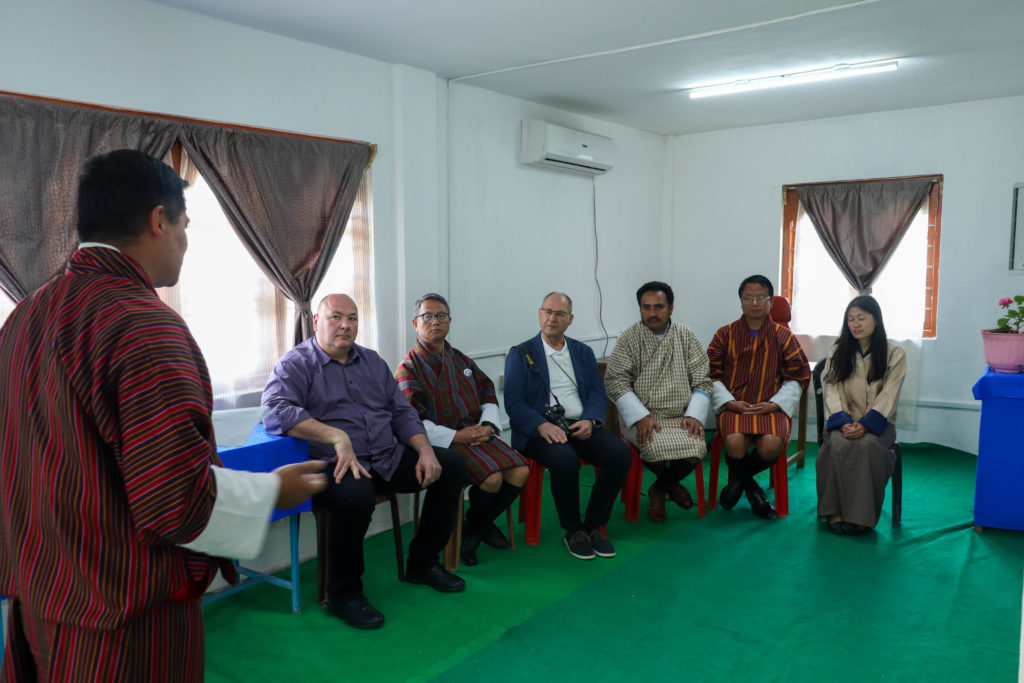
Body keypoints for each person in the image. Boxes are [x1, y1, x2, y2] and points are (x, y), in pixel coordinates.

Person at [0, 149, 326, 681]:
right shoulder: (142, 324)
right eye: (186, 224)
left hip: (38, 587)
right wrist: (274, 492)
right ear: (159, 220)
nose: (185, 242)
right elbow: (174, 502)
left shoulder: (26, 314)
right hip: (117, 611)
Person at [262, 293, 467, 631]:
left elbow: (402, 412)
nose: (346, 325)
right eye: (336, 317)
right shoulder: (296, 363)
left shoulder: (372, 362)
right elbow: (274, 412)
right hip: (332, 464)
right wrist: (336, 437)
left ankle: (422, 562)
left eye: (353, 318)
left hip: (385, 455)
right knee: (357, 493)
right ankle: (343, 594)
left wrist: (426, 450)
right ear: (317, 322)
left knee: (450, 467)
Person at [395, 293, 529, 565]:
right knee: (492, 479)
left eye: (441, 316)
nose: (435, 322)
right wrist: (456, 436)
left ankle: (476, 525)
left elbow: (487, 390)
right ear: (415, 323)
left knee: (521, 471)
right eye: (428, 317)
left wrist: (487, 425)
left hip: (477, 433)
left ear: (450, 321)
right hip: (444, 442)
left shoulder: (462, 360)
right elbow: (410, 420)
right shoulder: (408, 368)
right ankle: (477, 529)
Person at [504, 292, 632, 560]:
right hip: (540, 431)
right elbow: (514, 403)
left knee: (620, 454)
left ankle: (593, 526)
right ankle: (573, 530)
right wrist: (541, 425)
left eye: (559, 314)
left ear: (570, 319)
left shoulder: (582, 352)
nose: (552, 318)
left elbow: (598, 393)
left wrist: (591, 420)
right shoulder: (521, 354)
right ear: (540, 314)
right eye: (547, 312)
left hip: (579, 425)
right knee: (565, 461)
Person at [604, 281, 712, 522]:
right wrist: (640, 416)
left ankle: (660, 487)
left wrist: (694, 415)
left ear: (671, 308)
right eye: (646, 307)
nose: (652, 313)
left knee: (697, 446)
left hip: (681, 415)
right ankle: (669, 487)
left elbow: (703, 380)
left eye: (659, 307)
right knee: (652, 446)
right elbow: (615, 381)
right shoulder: (629, 338)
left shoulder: (686, 335)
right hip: (642, 416)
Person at [707, 274, 810, 519]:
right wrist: (729, 402)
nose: (754, 303)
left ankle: (739, 484)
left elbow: (799, 376)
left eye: (761, 298)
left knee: (772, 444)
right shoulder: (725, 334)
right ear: (740, 301)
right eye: (748, 298)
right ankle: (754, 490)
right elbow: (709, 375)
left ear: (770, 302)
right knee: (734, 441)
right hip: (734, 404)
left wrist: (774, 404)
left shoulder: (783, 336)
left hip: (770, 405)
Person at [817, 295, 906, 535]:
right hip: (843, 419)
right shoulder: (838, 351)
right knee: (836, 442)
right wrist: (844, 421)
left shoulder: (894, 354)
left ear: (876, 320)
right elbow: (832, 391)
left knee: (867, 446)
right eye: (850, 320)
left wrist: (866, 425)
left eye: (861, 318)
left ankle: (861, 517)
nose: (855, 324)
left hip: (879, 423)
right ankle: (833, 511)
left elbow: (889, 395)